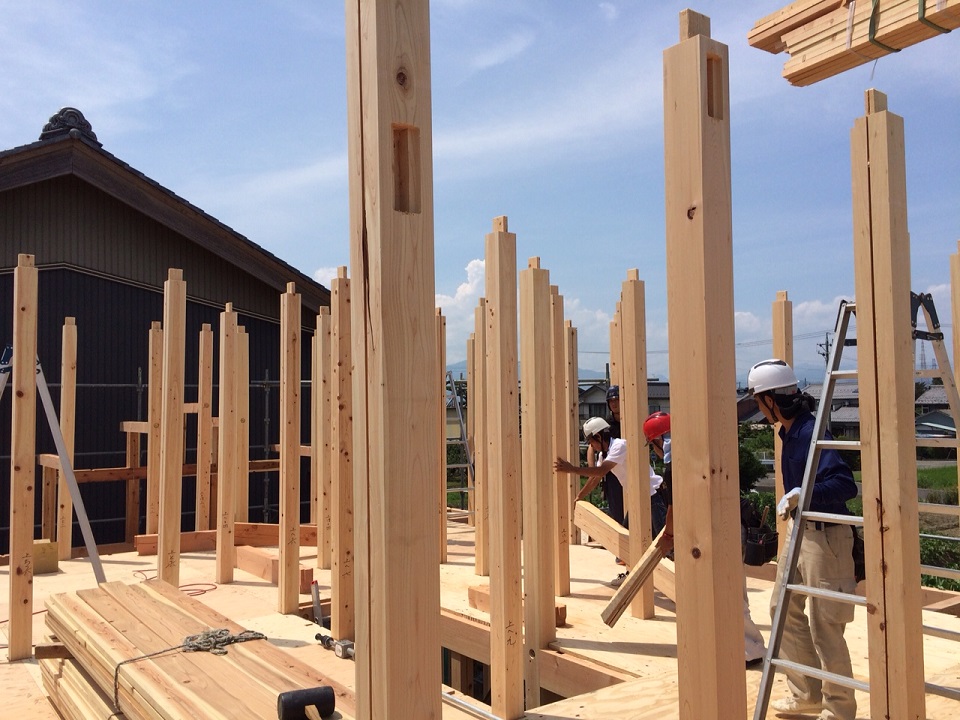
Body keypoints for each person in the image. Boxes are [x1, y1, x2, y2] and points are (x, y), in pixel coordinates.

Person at [748, 358, 858, 720]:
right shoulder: (788, 432)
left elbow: (845, 485)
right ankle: (807, 692)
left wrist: (803, 494)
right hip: (800, 532)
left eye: (759, 401)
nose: (759, 409)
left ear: (771, 400)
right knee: (782, 610)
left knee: (826, 626)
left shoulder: (811, 432)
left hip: (827, 537)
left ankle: (839, 710)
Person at [643, 411, 767, 667]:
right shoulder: (696, 453)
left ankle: (750, 651)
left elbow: (673, 509)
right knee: (732, 590)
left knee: (726, 592)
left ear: (658, 440)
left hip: (717, 533)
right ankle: (742, 648)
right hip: (730, 527)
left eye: (652, 445)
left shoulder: (674, 466)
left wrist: (668, 536)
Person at [555, 417, 666, 585]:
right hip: (638, 499)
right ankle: (632, 575)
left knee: (664, 544)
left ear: (599, 436)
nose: (591, 446)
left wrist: (572, 469)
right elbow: (595, 478)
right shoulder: (604, 455)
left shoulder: (619, 446)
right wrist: (579, 497)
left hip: (653, 496)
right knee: (627, 540)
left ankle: (674, 581)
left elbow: (600, 471)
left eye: (591, 442)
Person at [587, 385, 625, 530]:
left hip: (629, 472)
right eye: (611, 401)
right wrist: (592, 470)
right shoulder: (606, 425)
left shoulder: (630, 420)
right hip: (612, 474)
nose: (614, 403)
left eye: (617, 400)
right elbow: (592, 447)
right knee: (617, 513)